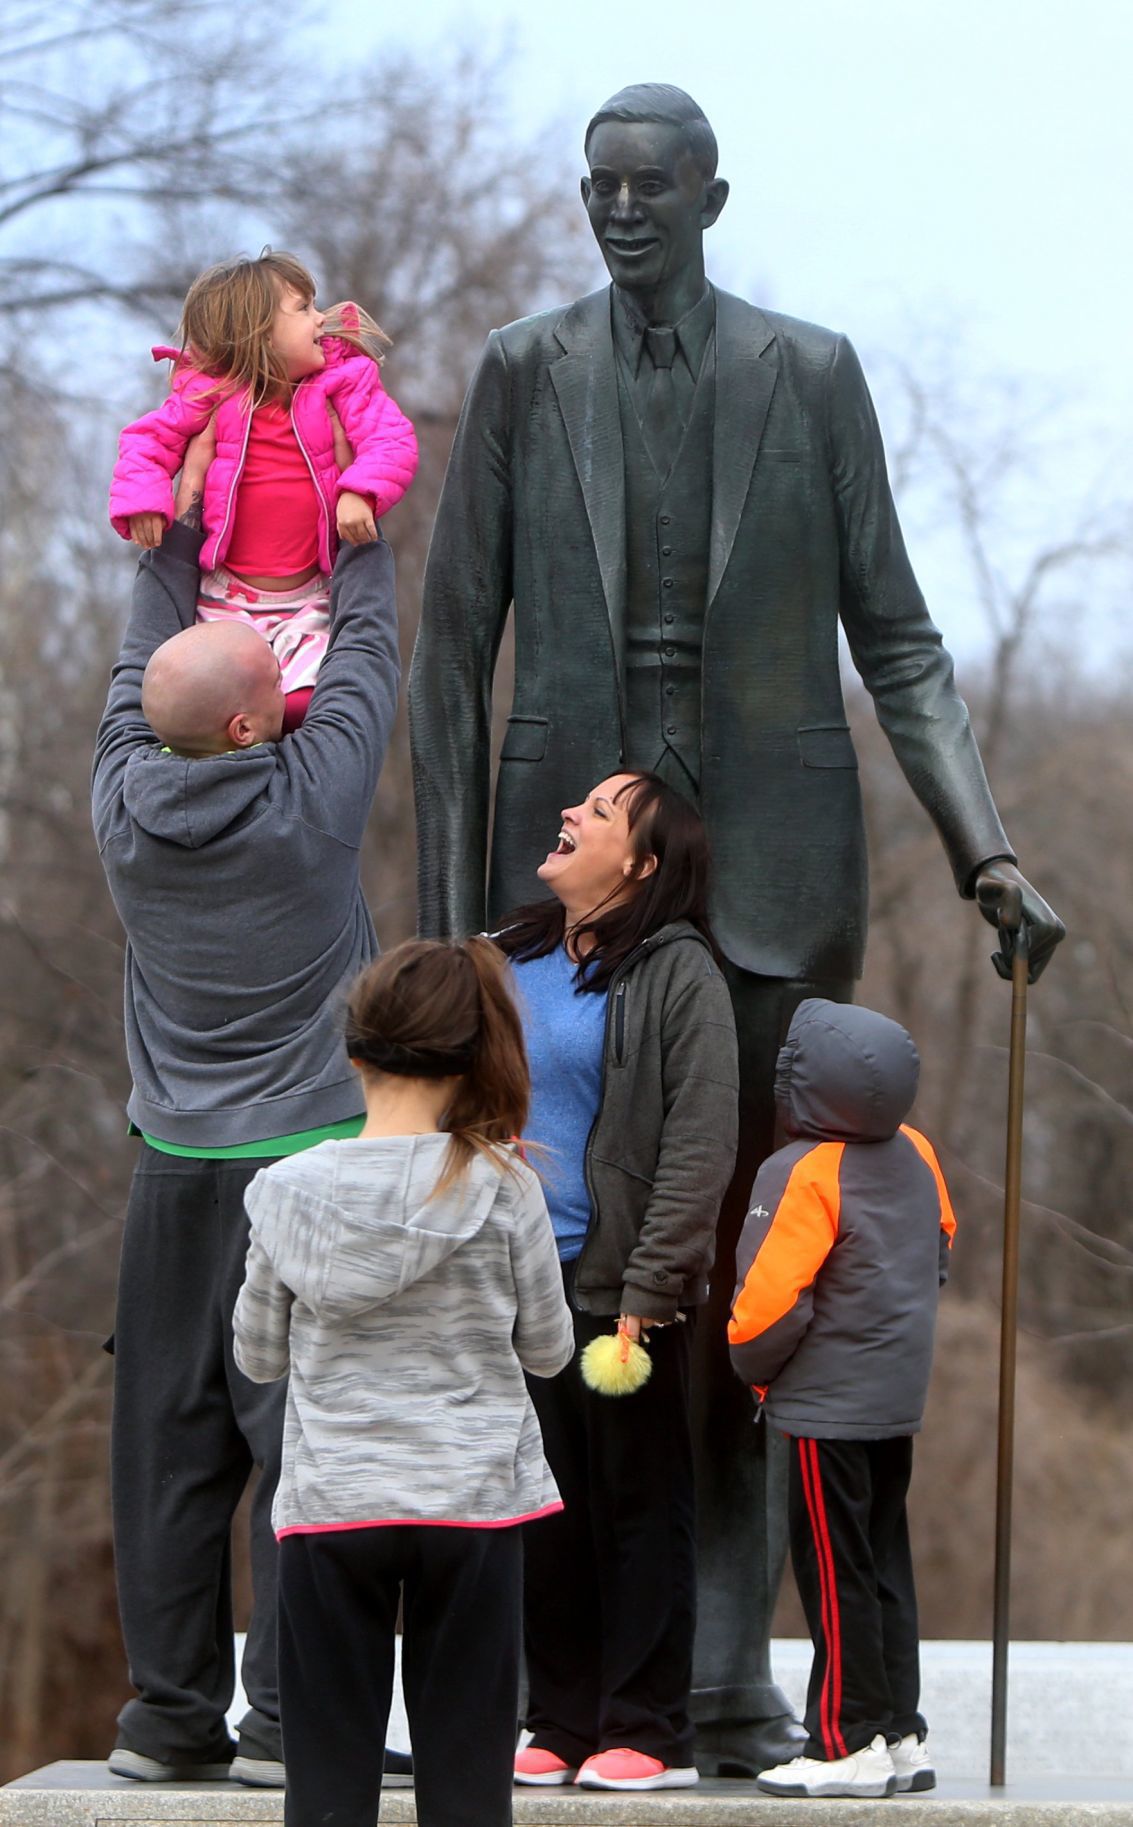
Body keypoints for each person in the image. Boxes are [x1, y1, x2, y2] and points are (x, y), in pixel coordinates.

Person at [407, 81, 1064, 1772]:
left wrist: (980, 849)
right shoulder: (519, 371)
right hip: (566, 892)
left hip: (771, 877)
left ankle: (723, 1677)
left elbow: (900, 643)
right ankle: (582, 1688)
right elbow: (448, 649)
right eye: (596, 187)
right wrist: (436, 925)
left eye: (650, 187)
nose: (619, 212)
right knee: (575, 1276)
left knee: (743, 1289)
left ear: (711, 195)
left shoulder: (807, 374)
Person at [92, 454, 401, 1784]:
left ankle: (167, 1718)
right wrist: (355, 525)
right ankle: (287, 1722)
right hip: (308, 1171)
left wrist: (177, 529)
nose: (292, 688)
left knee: (168, 1442)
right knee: (307, 1446)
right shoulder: (307, 805)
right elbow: (373, 645)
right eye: (270, 689)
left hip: (173, 1171)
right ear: (246, 729)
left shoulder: (119, 802)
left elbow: (133, 664)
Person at [231, 939, 574, 1827]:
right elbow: (548, 1348)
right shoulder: (504, 1184)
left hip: (333, 1504)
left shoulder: (284, 1190)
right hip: (470, 1506)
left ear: (352, 1052)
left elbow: (258, 1355)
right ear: (471, 1055)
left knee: (326, 1789)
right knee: (466, 1786)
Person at [494, 770, 739, 1792]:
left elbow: (697, 1143)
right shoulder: (504, 956)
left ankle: (645, 1727)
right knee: (538, 1516)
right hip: (511, 1289)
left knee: (635, 1514)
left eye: (597, 812)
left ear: (640, 862)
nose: (569, 815)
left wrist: (652, 1284)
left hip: (617, 1295)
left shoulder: (679, 973)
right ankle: (555, 1717)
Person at [728, 999, 955, 1799]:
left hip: (825, 1407)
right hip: (895, 1398)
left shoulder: (800, 1171)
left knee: (833, 1570)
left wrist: (754, 1372)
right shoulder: (917, 1151)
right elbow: (940, 1248)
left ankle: (842, 1740)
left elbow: (765, 1304)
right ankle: (900, 1733)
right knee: (883, 1558)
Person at [109, 250, 417, 730]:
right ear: (258, 334)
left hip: (310, 595)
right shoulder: (209, 393)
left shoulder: (344, 381)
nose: (321, 319)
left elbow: (390, 438)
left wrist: (362, 490)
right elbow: (147, 441)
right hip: (226, 598)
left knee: (306, 702)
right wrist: (143, 500)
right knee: (208, 701)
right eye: (303, 308)